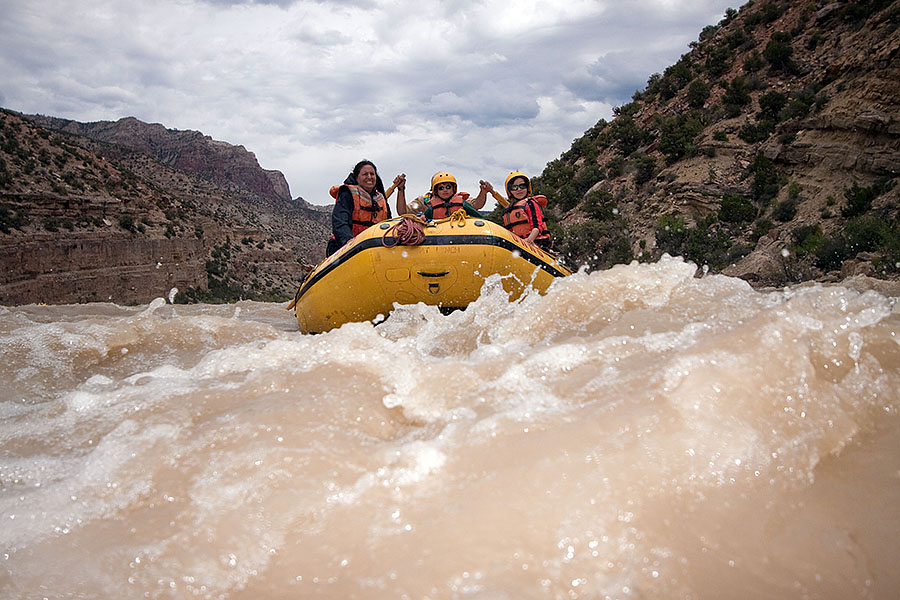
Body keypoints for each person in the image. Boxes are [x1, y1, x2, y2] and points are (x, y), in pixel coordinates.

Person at [326, 160, 406, 256]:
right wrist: (349, 244)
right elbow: (340, 222)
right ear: (357, 177)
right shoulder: (348, 194)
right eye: (365, 174)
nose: (369, 177)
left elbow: (387, 223)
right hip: (345, 247)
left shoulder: (380, 198)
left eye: (372, 174)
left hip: (373, 248)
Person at [488, 171, 552, 250]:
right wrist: (492, 192)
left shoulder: (531, 203)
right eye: (514, 187)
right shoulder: (512, 207)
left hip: (536, 243)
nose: (519, 189)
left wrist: (529, 240)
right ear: (510, 191)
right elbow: (503, 203)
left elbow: (537, 226)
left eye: (522, 186)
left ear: (527, 188)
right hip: (521, 243)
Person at [398, 172, 490, 220]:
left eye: (448, 187)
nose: (445, 190)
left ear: (453, 188)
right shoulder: (424, 201)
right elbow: (403, 212)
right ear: (433, 189)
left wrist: (483, 192)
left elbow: (477, 205)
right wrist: (401, 189)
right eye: (441, 188)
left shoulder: (460, 201)